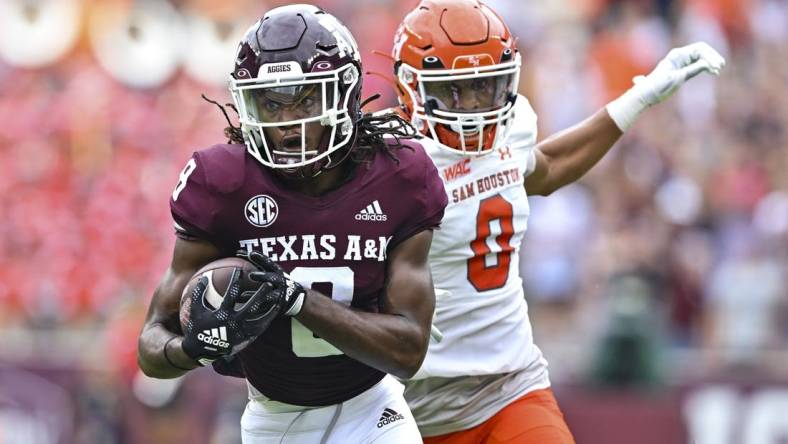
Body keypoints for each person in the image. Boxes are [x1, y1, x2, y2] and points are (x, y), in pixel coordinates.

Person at [386, 0, 726, 443]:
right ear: (411, 85)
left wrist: (639, 98)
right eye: (457, 89)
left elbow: (545, 167)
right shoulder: (387, 163)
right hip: (410, 406)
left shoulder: (512, 129)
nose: (474, 105)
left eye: (486, 86)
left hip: (508, 387)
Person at [137, 5, 448, 443]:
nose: (288, 124)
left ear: (346, 93)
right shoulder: (222, 182)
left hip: (372, 411)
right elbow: (151, 345)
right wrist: (189, 349)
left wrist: (295, 300)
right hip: (273, 419)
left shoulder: (398, 173)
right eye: (270, 103)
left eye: (305, 99)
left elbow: (409, 350)